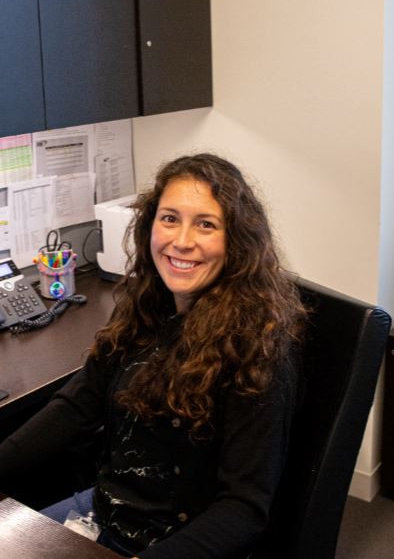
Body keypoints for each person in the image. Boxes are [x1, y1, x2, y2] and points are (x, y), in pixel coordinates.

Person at [0, 153, 307, 558]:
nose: (181, 240)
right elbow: (74, 408)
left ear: (236, 241)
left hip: (182, 546)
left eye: (206, 224)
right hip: (106, 514)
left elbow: (243, 509)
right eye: (170, 218)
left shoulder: (256, 347)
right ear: (149, 225)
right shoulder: (147, 307)